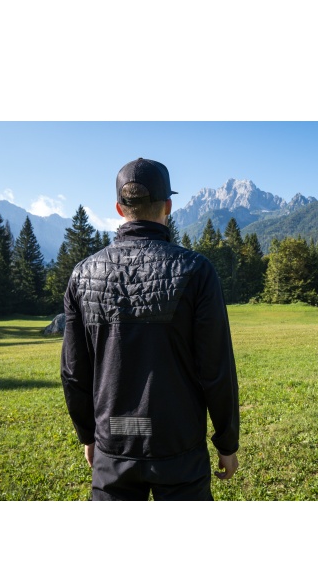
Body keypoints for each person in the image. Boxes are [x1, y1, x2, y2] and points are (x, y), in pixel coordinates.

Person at [61, 158, 240, 500]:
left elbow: (73, 371)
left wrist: (88, 435)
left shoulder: (83, 274)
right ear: (167, 206)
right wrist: (227, 442)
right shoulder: (197, 271)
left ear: (119, 208)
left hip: (113, 444)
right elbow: (216, 368)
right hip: (178, 443)